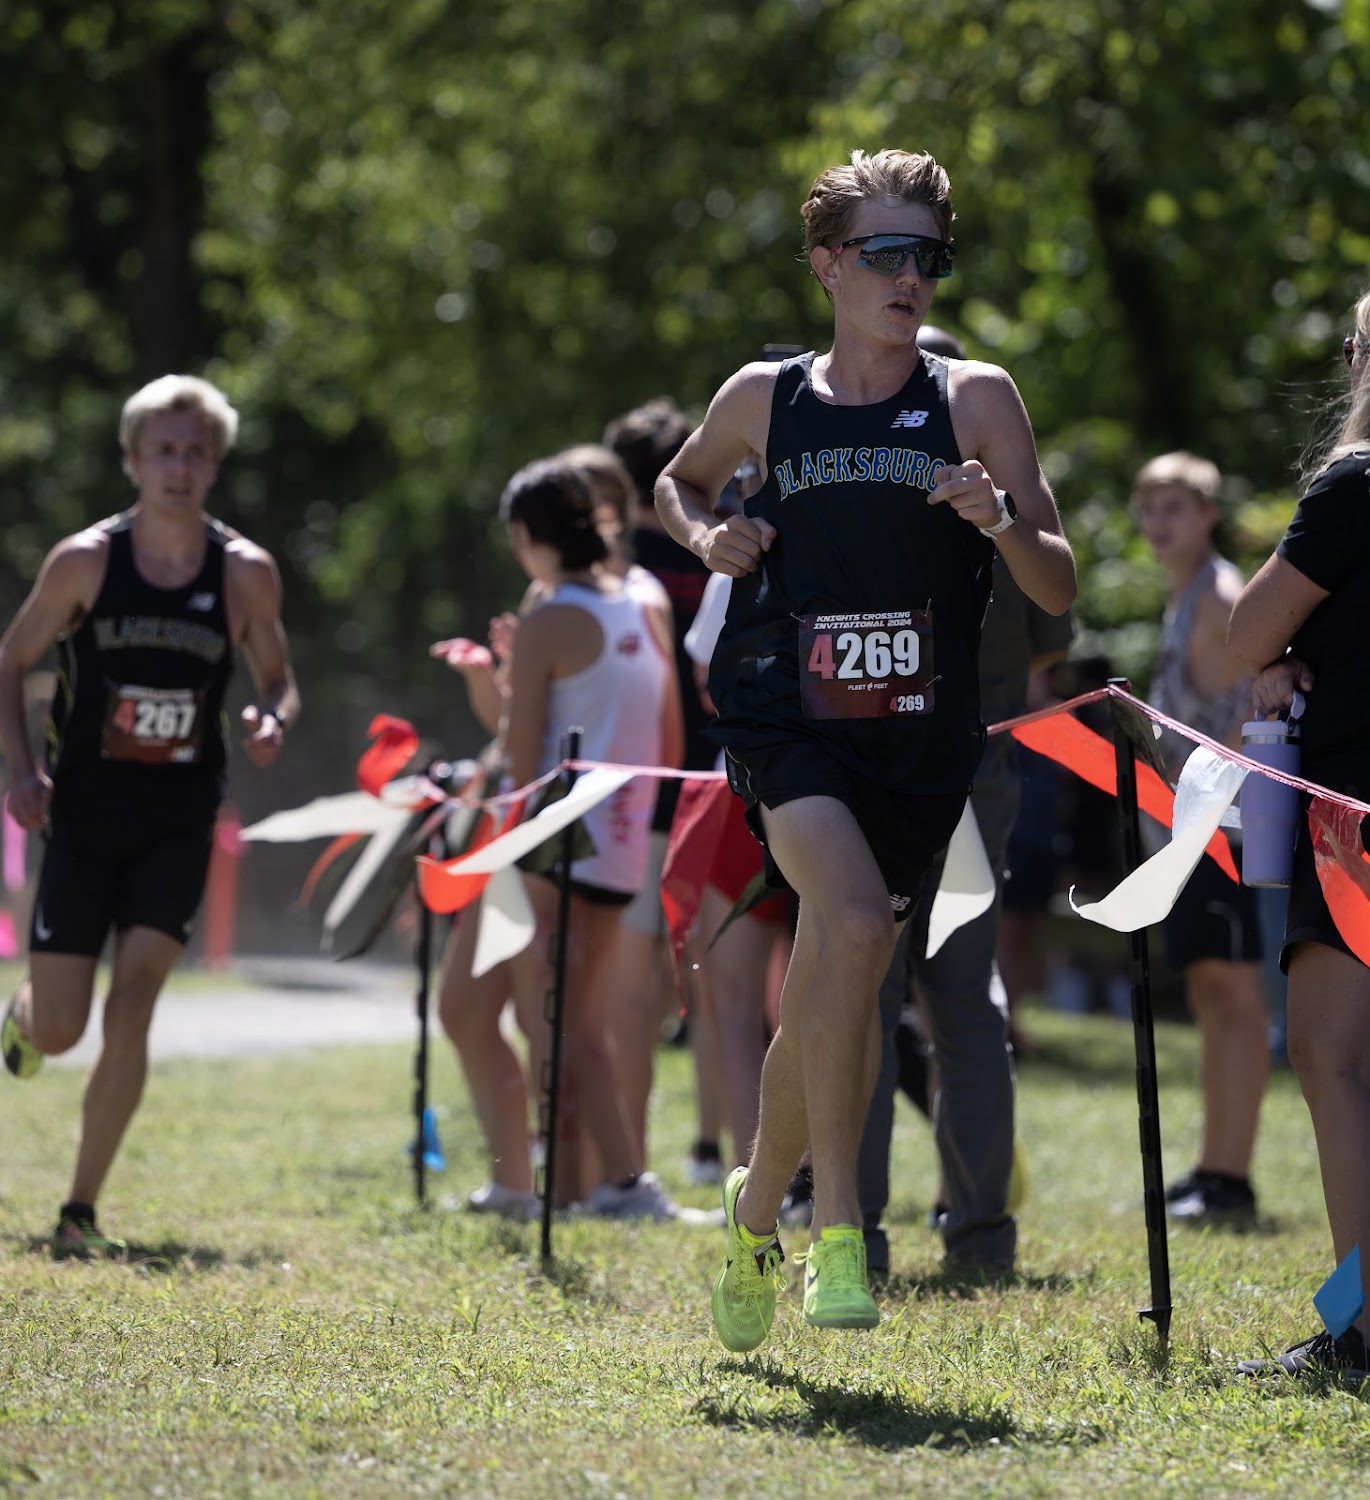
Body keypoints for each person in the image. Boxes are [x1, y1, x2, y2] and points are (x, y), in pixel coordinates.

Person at [655, 148, 1075, 1350]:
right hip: (783, 713)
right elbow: (676, 483)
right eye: (885, 253)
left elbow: (1056, 581)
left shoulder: (974, 396)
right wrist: (710, 538)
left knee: (836, 970)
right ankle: (835, 1225)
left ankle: (752, 1210)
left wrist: (999, 518)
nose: (910, 277)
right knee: (845, 925)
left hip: (918, 739)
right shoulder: (763, 395)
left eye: (928, 257)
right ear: (826, 265)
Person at [0, 374, 299, 1257]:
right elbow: (10, 660)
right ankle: (24, 1016)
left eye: (197, 451)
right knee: (63, 1028)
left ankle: (79, 1209)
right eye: (163, 450)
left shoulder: (244, 572)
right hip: (83, 816)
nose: (180, 467)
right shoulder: (86, 561)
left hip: (179, 817)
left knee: (132, 1007)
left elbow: (280, 679)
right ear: (132, 460)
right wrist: (21, 771)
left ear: (216, 464)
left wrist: (273, 719)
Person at [857, 320, 1074, 1280]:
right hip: (984, 764)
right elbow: (1051, 635)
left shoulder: (856, 473)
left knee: (860, 996)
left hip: (877, 768)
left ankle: (853, 1233)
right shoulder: (1011, 495)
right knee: (964, 999)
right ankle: (981, 1237)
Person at [436, 455, 683, 1220]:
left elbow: (521, 755)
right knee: (479, 1008)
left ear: (523, 535)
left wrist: (502, 679)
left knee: (559, 1028)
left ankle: (612, 1187)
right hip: (619, 845)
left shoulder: (550, 617)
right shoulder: (642, 604)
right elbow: (669, 739)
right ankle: (528, 1185)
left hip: (547, 849)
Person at [1229, 291, 1370, 1379]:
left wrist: (1277, 658)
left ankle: (1360, 1323)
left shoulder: (1355, 483)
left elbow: (1244, 632)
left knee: (1333, 1059)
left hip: (1353, 814)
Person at [1133, 452, 1270, 1226]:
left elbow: (1267, 699)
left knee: (1233, 996)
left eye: (1174, 508)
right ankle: (1214, 1166)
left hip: (1226, 833)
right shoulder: (1184, 593)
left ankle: (1231, 1178)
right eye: (1149, 507)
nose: (1158, 523)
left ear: (1207, 515)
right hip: (1190, 835)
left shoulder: (1221, 594)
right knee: (1209, 995)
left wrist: (1218, 803)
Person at [603, 400, 728, 1183]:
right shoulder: (725, 541)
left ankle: (630, 1158)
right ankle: (712, 1147)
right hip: (722, 783)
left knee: (635, 982)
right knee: (719, 978)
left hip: (643, 790)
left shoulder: (617, 567)